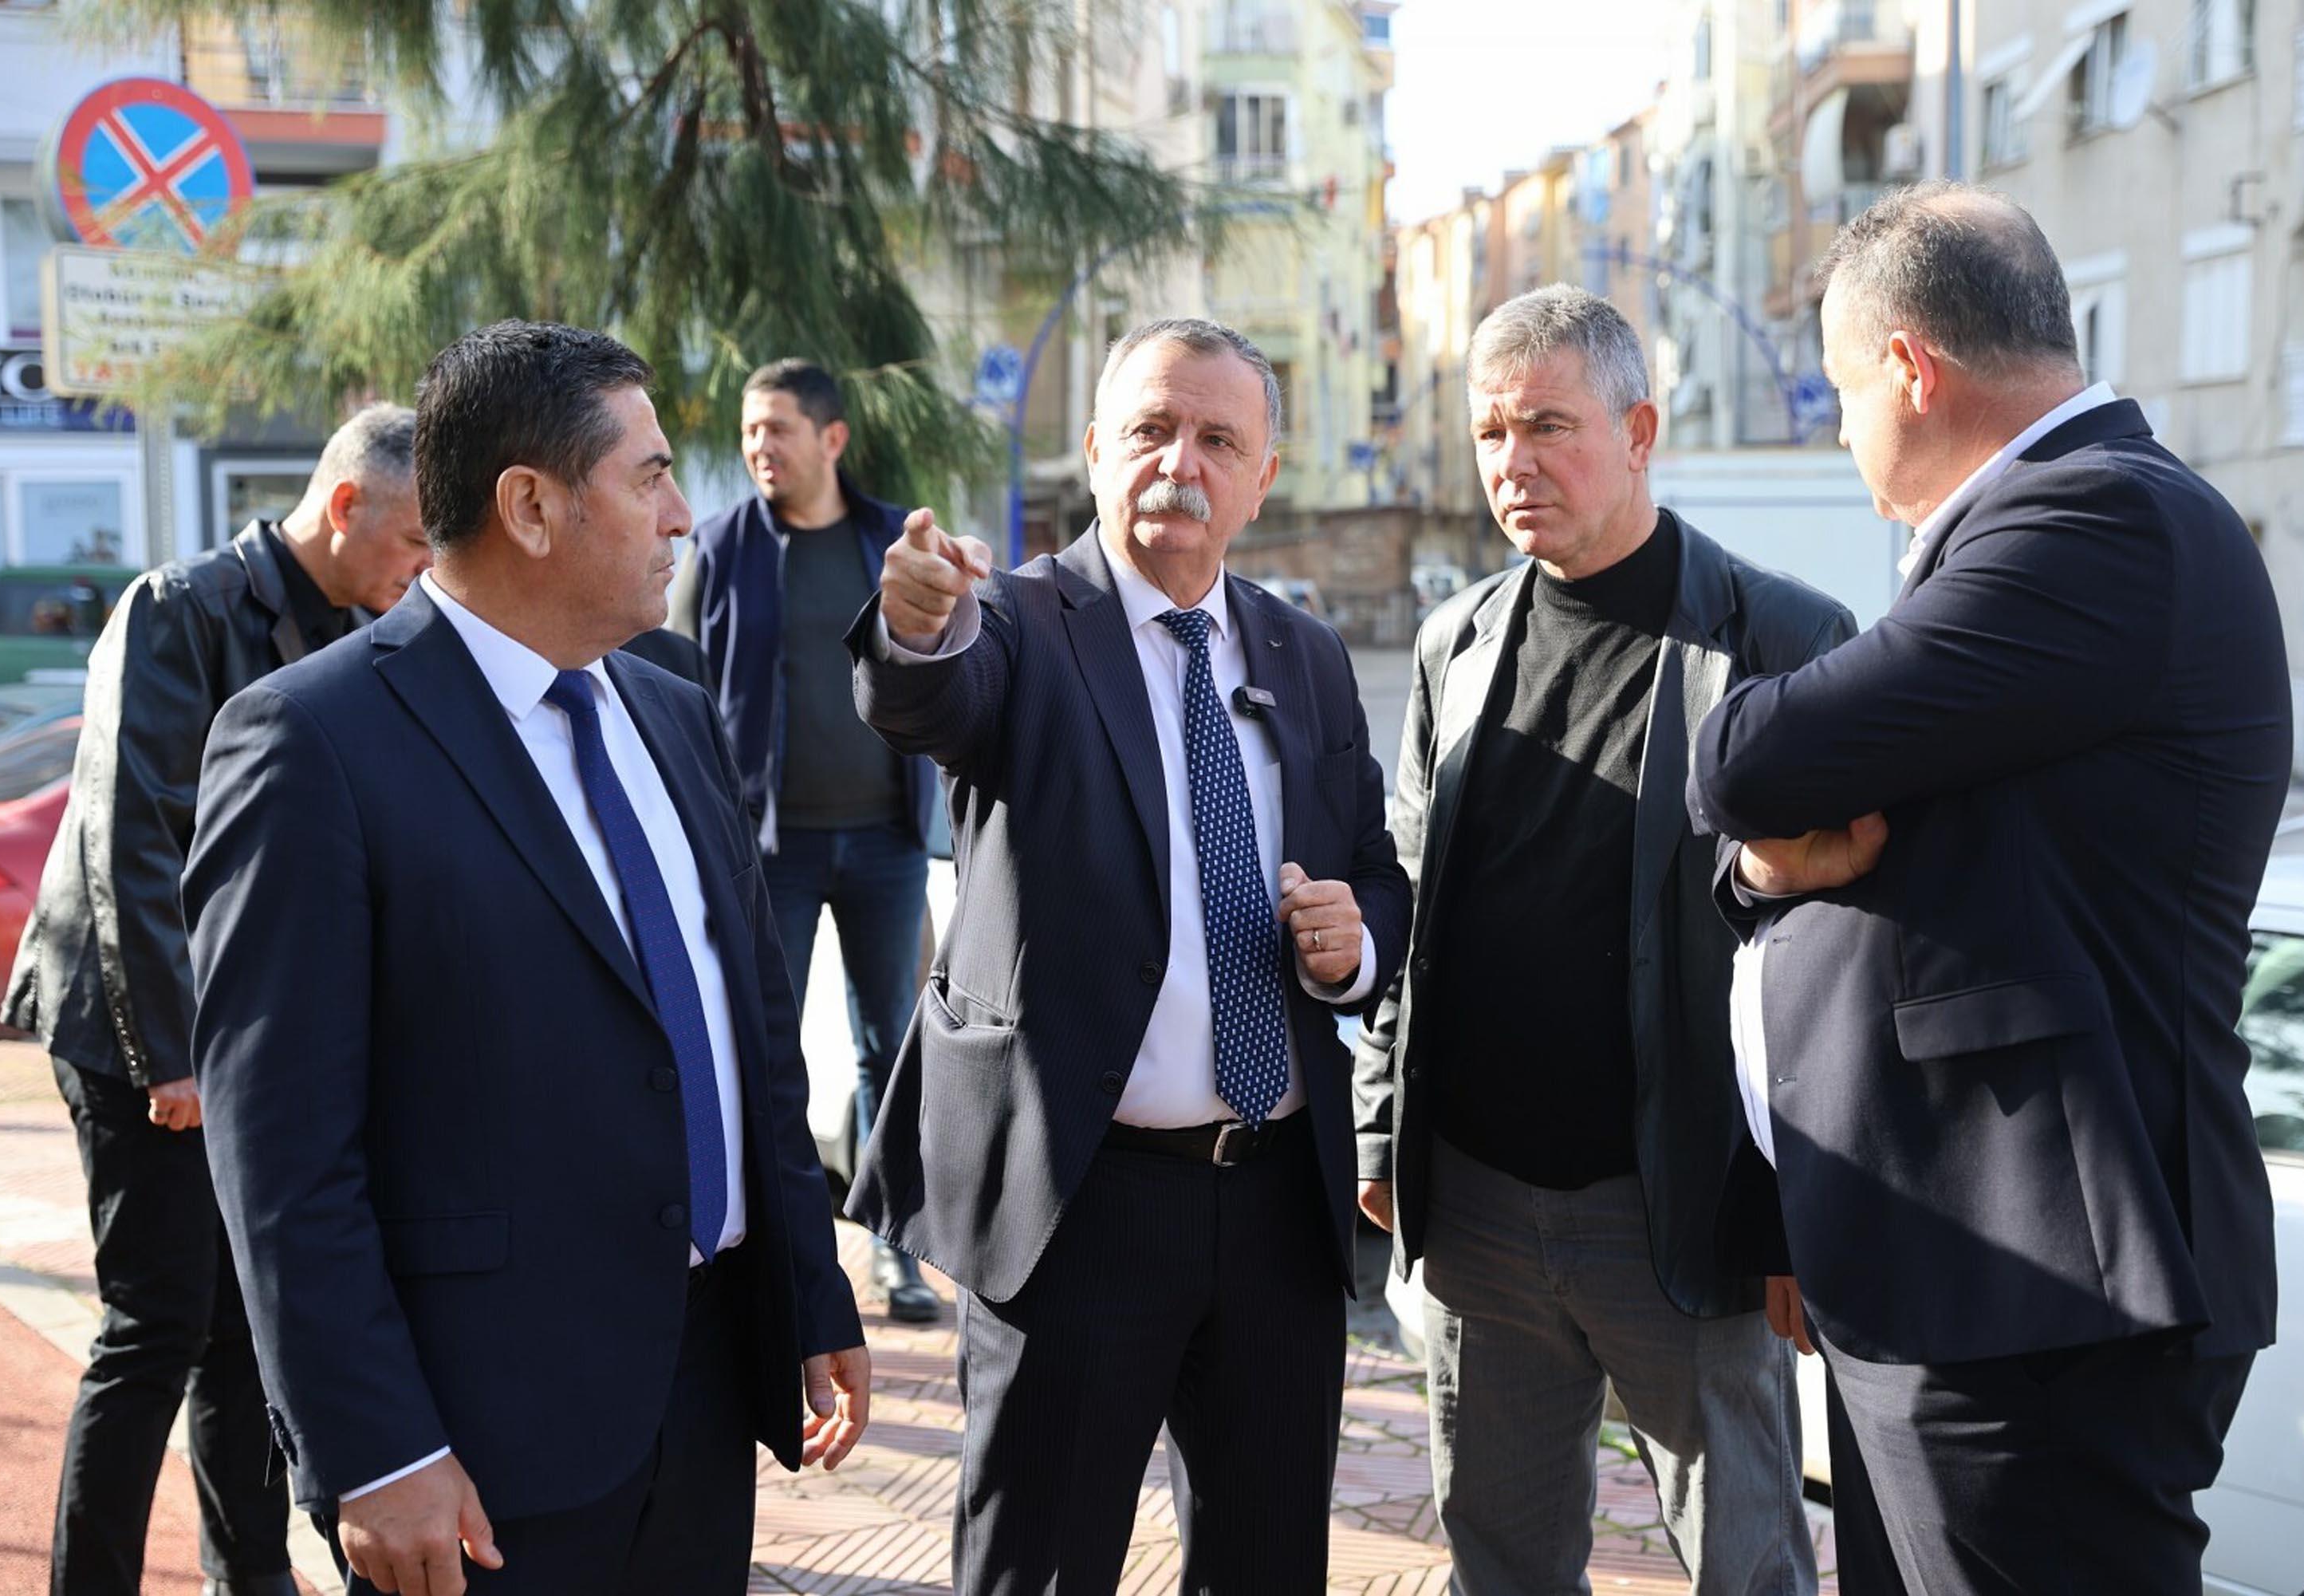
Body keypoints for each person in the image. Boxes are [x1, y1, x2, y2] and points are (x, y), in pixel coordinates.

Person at [182, 321, 869, 1596]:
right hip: (477, 1439)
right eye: (651, 476)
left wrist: (809, 1289)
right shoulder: (310, 741)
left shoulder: (674, 706)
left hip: (703, 1392)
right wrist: (374, 1446)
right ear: (531, 507)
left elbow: (751, 1032)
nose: (684, 516)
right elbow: (279, 1149)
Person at [1686, 183, 2293, 1592]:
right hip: (1965, 1262)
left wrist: (1762, 819)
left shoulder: (2097, 516)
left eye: (1840, 391)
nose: (1839, 432)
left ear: (1911, 368)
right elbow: (1805, 817)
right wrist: (1767, 859)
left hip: (2041, 1286)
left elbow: (1751, 755)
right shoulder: (2046, 528)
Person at [848, 316, 1412, 1590]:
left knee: (1268, 1565)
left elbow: (1374, 871)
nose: (1181, 464)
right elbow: (929, 695)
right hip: (1079, 1197)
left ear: (1263, 478)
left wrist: (1355, 945)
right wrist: (917, 626)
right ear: (1097, 449)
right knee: (1043, 1564)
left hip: (1274, 1203)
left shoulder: (1307, 654)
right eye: (1153, 429)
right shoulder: (1018, 622)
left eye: (1219, 440)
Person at [1352, 286, 1836, 1594]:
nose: (1513, 463)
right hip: (1478, 1205)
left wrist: (1795, 1211)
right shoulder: (1455, 641)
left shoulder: (1778, 639)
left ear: (1639, 432)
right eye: (1490, 431)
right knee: (1500, 1559)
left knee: (1748, 1563)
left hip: (1679, 1204)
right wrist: (1383, 1121)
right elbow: (1416, 895)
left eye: (1548, 426)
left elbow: (1829, 956)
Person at [2, 404, 429, 1596]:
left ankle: (252, 1577)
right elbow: (131, 839)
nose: (425, 569)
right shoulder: (176, 609)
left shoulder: (368, 630)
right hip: (133, 1022)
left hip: (251, 1032)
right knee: (156, 1325)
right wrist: (174, 1054)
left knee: (250, 1328)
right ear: (344, 505)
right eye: (414, 541)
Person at [672, 357, 942, 1322]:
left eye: (776, 428)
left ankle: (895, 1250)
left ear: (831, 438)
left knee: (890, 1047)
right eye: (750, 430)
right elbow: (675, 686)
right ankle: (778, 1251)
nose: (759, 446)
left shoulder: (891, 541)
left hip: (886, 842)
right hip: (767, 852)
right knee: (764, 1045)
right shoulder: (720, 548)